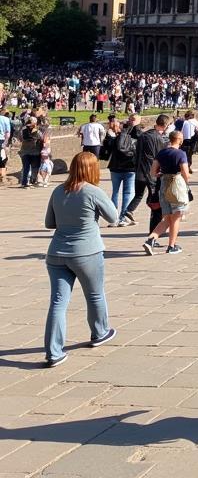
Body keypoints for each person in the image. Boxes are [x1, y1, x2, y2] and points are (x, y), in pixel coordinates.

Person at [42, 151, 119, 366]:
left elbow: (50, 223)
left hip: (56, 253)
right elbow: (113, 217)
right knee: (94, 295)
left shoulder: (58, 190)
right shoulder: (93, 191)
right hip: (87, 252)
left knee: (57, 303)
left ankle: (53, 352)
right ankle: (99, 332)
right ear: (93, 169)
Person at [143, 129, 190, 255]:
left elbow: (153, 172)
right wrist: (186, 182)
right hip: (176, 186)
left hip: (163, 185)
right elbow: (186, 173)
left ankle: (151, 239)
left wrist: (161, 174)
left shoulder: (161, 153)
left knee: (167, 218)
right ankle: (171, 245)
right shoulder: (181, 154)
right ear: (179, 140)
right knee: (176, 217)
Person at [106, 119, 138, 226]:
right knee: (128, 193)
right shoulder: (135, 139)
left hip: (115, 167)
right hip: (130, 168)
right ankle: (123, 217)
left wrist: (110, 135)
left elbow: (108, 150)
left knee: (115, 192)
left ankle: (113, 218)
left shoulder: (116, 137)